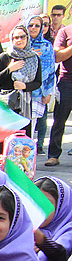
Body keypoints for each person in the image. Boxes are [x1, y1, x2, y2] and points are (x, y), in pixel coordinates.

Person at [0, 25, 42, 161]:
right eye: (16, 37)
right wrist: (9, 69)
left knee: (20, 142)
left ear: (27, 38)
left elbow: (38, 82)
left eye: (22, 37)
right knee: (1, 143)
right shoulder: (4, 57)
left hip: (23, 107)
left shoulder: (34, 58)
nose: (19, 40)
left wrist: (25, 86)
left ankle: (19, 172)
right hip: (5, 106)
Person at [27, 15, 57, 156]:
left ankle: (28, 161)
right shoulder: (21, 43)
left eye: (37, 26)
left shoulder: (47, 46)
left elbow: (50, 71)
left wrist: (48, 92)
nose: (33, 28)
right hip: (21, 93)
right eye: (31, 25)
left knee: (32, 127)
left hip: (39, 93)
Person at [45, 19, 72, 166]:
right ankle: (54, 155)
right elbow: (58, 56)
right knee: (59, 121)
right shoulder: (65, 32)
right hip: (67, 82)